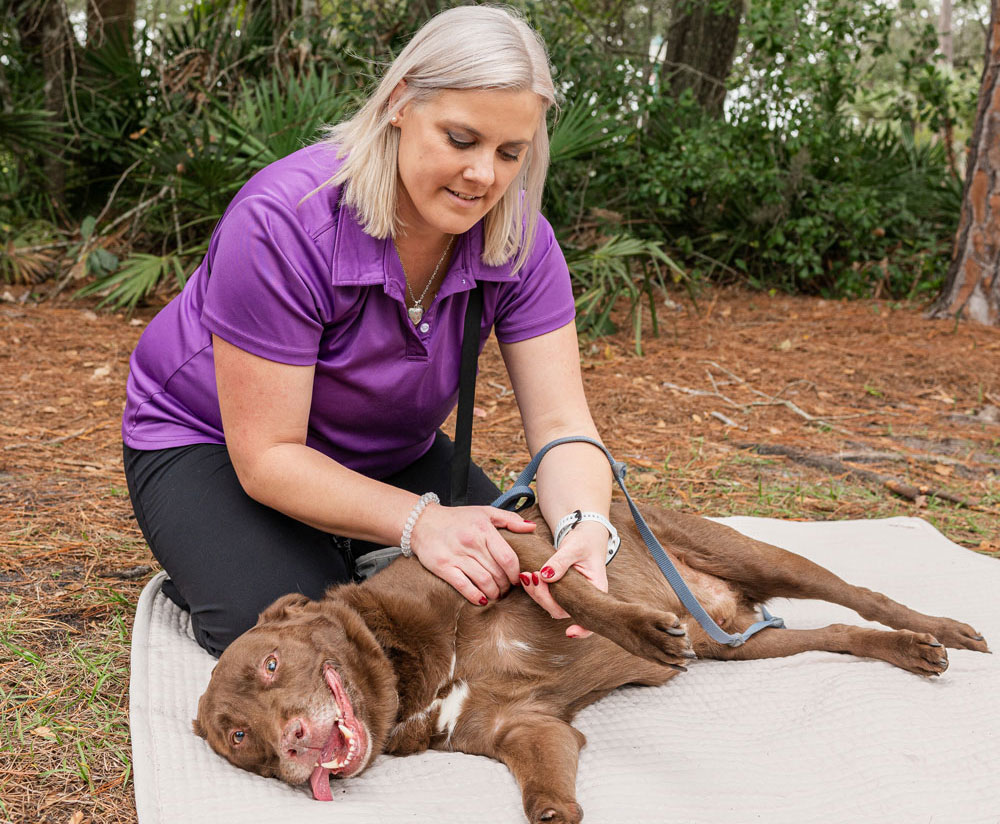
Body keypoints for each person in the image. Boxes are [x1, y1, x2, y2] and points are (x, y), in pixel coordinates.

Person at [122, 4, 614, 658]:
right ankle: (250, 552)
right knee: (313, 639)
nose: (484, 176)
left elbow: (561, 426)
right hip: (214, 445)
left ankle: (347, 542)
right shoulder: (283, 221)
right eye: (462, 139)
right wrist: (420, 524)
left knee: (523, 602)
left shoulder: (522, 239)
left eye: (510, 153)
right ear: (401, 103)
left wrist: (585, 523)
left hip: (390, 448)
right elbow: (267, 456)